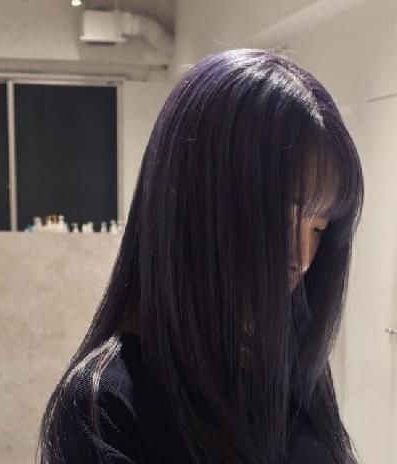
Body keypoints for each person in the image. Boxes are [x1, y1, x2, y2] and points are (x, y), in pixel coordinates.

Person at [36, 48, 364, 463]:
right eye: (282, 217)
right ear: (199, 203)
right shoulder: (108, 407)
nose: (302, 257)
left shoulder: (287, 368)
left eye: (319, 228)